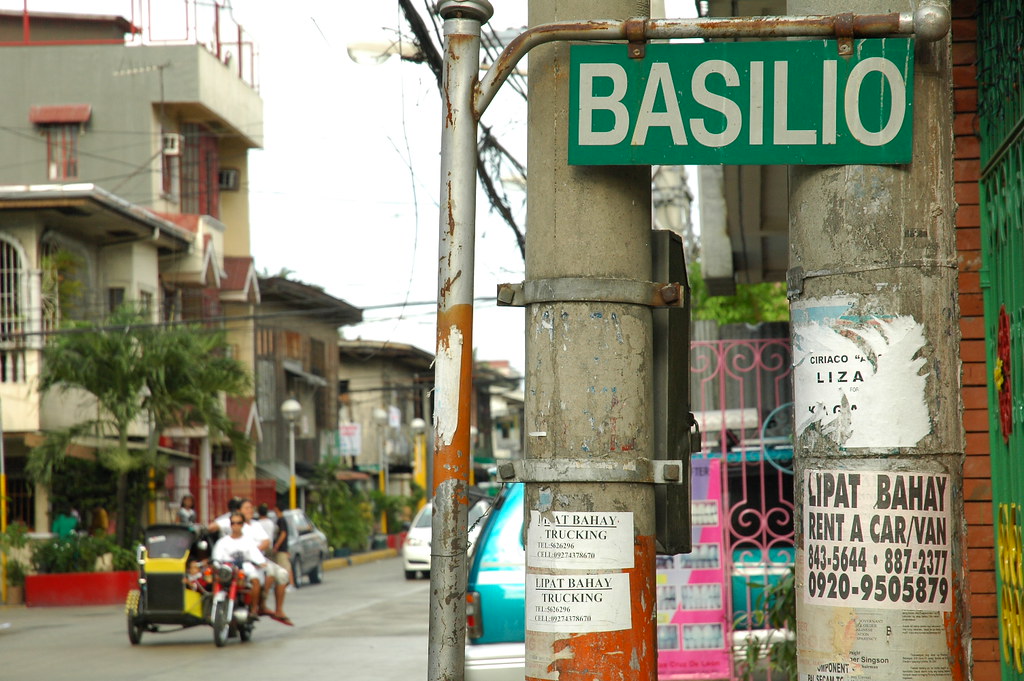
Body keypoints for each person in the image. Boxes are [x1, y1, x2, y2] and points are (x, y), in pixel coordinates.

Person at [238, 498, 291, 625]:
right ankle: (260, 604)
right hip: (244, 560)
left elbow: (266, 542)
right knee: (269, 573)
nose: (249, 510)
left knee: (282, 574)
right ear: (239, 511)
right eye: (246, 508)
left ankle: (278, 609)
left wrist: (256, 549)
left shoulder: (256, 525)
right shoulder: (236, 525)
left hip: (259, 558)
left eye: (251, 508)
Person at [211, 512, 265, 613]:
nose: (235, 526)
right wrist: (216, 566)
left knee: (255, 581)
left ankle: (253, 610)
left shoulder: (249, 541)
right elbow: (216, 559)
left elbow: (257, 556)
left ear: (243, 524)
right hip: (227, 571)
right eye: (233, 523)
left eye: (238, 523)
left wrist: (261, 563)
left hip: (245, 570)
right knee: (214, 579)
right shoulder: (222, 542)